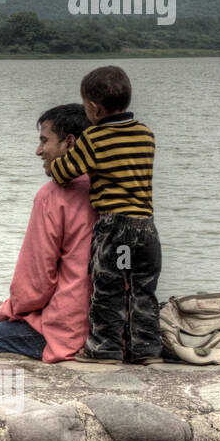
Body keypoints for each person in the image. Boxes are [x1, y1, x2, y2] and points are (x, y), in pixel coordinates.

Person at [0, 104, 95, 362]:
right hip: (111, 329)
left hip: (71, 331)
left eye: (44, 141)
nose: (38, 151)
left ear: (69, 143)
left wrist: (3, 310)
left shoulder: (52, 196)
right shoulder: (112, 190)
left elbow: (35, 287)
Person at [50, 66, 162, 365]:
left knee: (109, 287)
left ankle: (105, 348)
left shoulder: (95, 138)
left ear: (93, 108)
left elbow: (64, 173)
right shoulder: (146, 134)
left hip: (116, 228)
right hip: (146, 229)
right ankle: (148, 350)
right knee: (143, 290)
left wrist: (53, 166)